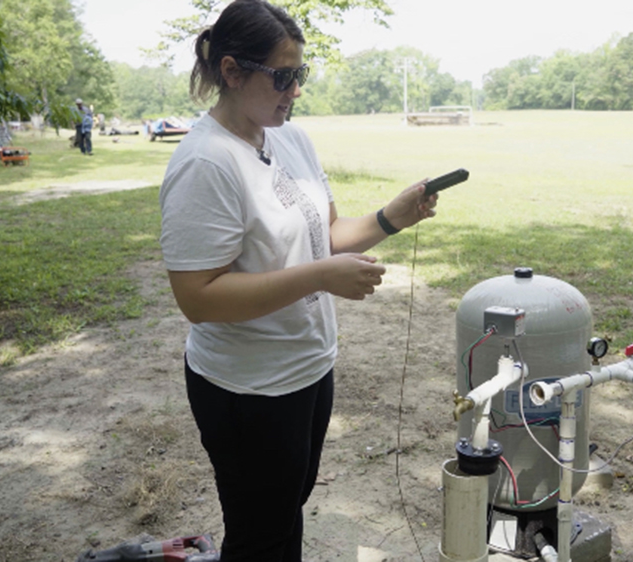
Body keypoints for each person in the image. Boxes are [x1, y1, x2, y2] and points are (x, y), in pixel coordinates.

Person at [158, 1, 438, 560]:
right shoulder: (206, 163)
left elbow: (327, 234)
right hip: (247, 387)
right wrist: (319, 277)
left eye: (299, 75)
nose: (295, 90)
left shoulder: (290, 138)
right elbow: (198, 298)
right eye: (283, 77)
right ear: (233, 72)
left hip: (308, 368)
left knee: (286, 511)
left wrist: (390, 218)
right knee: (259, 533)